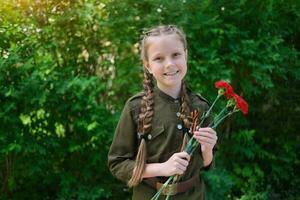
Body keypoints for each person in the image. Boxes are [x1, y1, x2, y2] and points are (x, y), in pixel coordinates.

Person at [108, 25, 218, 200]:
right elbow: (118, 163)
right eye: (159, 58)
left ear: (186, 56)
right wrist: (162, 168)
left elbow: (206, 165)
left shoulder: (201, 107)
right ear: (148, 66)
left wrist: (207, 149)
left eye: (176, 55)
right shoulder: (135, 107)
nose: (169, 64)